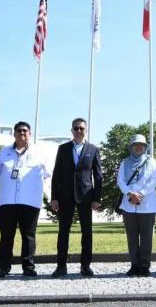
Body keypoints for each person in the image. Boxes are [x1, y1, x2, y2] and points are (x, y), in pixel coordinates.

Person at [0, 121, 50, 278]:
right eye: (19, 130)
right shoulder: (4, 152)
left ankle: (28, 267)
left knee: (29, 236)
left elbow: (47, 175)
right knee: (6, 236)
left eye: (25, 130)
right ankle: (3, 267)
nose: (22, 133)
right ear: (14, 133)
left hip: (30, 201)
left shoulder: (39, 152)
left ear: (30, 134)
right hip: (7, 201)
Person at [50, 118, 103, 277]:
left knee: (87, 232)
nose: (79, 131)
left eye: (81, 128)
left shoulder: (93, 149)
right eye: (76, 128)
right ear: (71, 130)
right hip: (65, 196)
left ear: (86, 130)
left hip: (85, 196)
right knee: (63, 232)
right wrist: (54, 197)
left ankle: (85, 266)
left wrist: (97, 198)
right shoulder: (63, 148)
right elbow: (56, 174)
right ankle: (61, 266)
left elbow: (98, 176)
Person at [117, 134, 156, 277]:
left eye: (141, 145)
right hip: (129, 205)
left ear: (145, 147)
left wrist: (140, 194)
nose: (139, 147)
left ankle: (145, 266)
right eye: (136, 145)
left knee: (147, 238)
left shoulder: (151, 161)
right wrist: (130, 193)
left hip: (147, 205)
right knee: (132, 237)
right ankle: (134, 265)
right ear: (131, 147)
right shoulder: (124, 163)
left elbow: (153, 180)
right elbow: (120, 181)